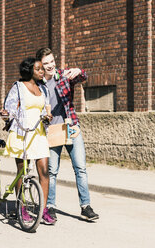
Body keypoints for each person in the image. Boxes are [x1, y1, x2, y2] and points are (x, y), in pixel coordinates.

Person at [36, 48, 99, 221]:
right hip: (52, 131)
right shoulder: (38, 84)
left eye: (52, 61)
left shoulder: (63, 76)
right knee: (52, 171)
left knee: (81, 168)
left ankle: (85, 206)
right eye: (46, 63)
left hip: (71, 127)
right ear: (41, 65)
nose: (50, 66)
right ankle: (50, 206)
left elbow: (82, 77)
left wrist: (80, 71)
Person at [2, 57, 55, 225]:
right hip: (21, 133)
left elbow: (46, 109)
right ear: (30, 71)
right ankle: (21, 207)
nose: (42, 71)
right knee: (22, 172)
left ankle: (43, 209)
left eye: (42, 69)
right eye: (38, 69)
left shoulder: (43, 88)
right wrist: (5, 115)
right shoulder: (18, 87)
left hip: (38, 133)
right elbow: (9, 109)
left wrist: (48, 117)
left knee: (44, 172)